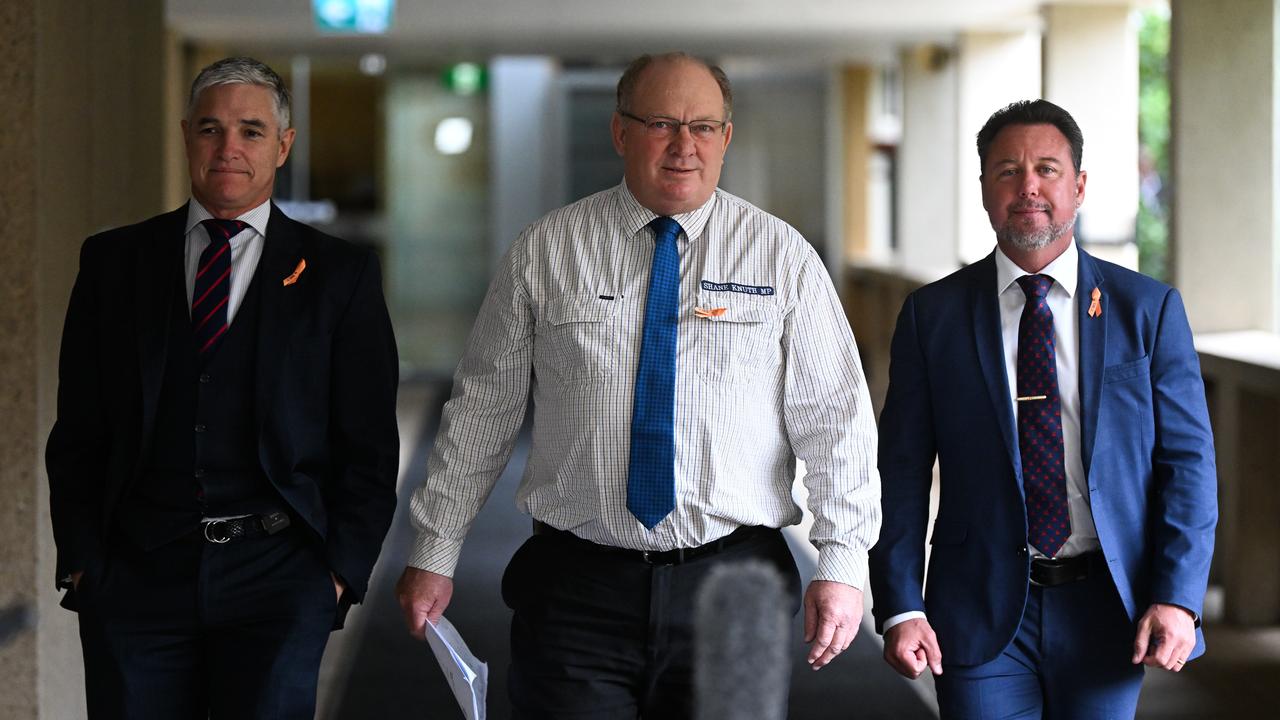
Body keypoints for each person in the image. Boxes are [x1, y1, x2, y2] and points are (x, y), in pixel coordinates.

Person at [396, 52, 880, 718]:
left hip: (734, 584)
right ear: (620, 132)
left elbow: (836, 420)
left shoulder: (781, 257)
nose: (685, 145)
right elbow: (483, 408)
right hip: (575, 587)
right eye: (662, 124)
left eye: (704, 127)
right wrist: (436, 546)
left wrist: (841, 560)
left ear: (726, 138)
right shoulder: (547, 251)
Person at [46, 56, 400, 718]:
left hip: (279, 573)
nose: (228, 148)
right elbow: (80, 429)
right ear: (185, 136)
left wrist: (337, 573)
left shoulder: (338, 275)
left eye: (251, 131)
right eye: (210, 129)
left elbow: (370, 444)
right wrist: (86, 561)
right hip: (135, 576)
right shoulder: (113, 263)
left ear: (284, 144)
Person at [868, 99, 1217, 718]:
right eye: (1007, 170)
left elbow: (1188, 464)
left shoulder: (1148, 309)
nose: (1027, 186)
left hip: (1110, 606)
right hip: (977, 606)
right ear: (984, 189)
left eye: (1047, 169)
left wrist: (1179, 597)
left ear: (1078, 186)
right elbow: (899, 472)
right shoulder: (933, 316)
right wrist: (900, 602)